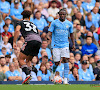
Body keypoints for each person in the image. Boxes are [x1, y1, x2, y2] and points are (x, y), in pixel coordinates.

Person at [13, 9, 42, 84]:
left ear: (22, 16)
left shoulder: (20, 22)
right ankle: (29, 76)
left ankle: (28, 74)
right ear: (29, 17)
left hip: (30, 40)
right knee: (28, 60)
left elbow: (17, 31)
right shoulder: (33, 24)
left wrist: (14, 42)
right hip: (39, 41)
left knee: (20, 59)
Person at [47, 9, 75, 84]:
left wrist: (73, 44)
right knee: (56, 62)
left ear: (66, 15)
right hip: (56, 45)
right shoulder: (54, 23)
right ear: (58, 15)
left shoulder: (69, 24)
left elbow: (72, 34)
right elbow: (49, 32)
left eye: (64, 14)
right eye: (61, 14)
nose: (62, 16)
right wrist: (48, 37)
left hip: (65, 44)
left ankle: (65, 79)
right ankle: (53, 72)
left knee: (66, 60)